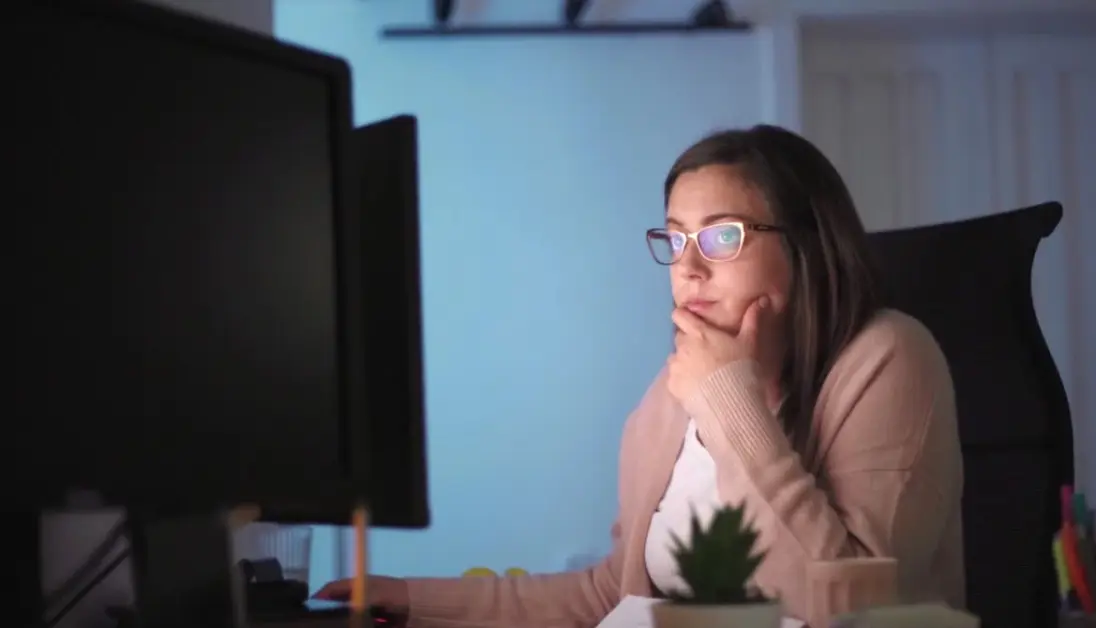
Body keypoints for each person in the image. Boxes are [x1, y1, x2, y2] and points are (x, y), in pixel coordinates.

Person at [315, 125, 965, 627]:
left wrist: (730, 402)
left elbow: (851, 608)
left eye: (722, 238)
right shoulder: (673, 394)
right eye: (676, 239)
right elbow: (610, 595)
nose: (688, 268)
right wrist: (407, 598)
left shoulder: (887, 357)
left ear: (806, 245)